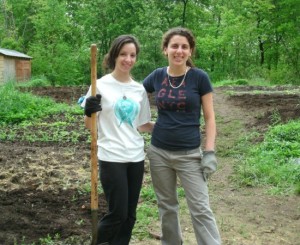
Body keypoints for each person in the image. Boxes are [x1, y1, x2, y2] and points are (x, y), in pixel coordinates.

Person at [143, 27, 221, 245]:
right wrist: (100, 92)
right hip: (158, 153)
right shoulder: (157, 76)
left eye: (184, 47)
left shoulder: (199, 78)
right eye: (174, 46)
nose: (179, 51)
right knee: (167, 206)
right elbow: (131, 95)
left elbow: (210, 119)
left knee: (200, 208)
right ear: (165, 49)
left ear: (190, 52)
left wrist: (209, 152)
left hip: (190, 155)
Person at [81, 35, 153, 245]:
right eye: (123, 54)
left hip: (136, 156)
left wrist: (171, 127)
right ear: (114, 56)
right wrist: (88, 111)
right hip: (112, 156)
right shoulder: (99, 86)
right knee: (118, 213)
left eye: (132, 55)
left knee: (130, 216)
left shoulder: (138, 89)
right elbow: (89, 125)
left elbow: (141, 124)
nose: (128, 59)